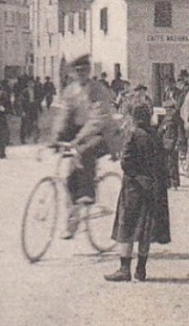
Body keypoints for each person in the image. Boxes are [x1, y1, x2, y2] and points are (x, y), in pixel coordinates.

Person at [107, 102, 172, 282]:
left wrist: (137, 177)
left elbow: (126, 163)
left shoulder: (133, 135)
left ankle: (124, 269)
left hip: (133, 189)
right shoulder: (155, 135)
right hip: (153, 189)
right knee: (145, 230)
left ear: (134, 118)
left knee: (127, 228)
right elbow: (162, 162)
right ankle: (141, 270)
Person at [51, 55, 111, 239]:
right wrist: (56, 136)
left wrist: (78, 139)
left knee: (85, 153)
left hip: (99, 131)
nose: (81, 74)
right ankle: (73, 217)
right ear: (73, 73)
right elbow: (64, 114)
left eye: (84, 70)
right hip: (77, 133)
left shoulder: (97, 90)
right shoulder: (71, 90)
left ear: (89, 70)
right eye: (77, 71)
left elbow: (97, 118)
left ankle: (88, 194)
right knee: (69, 178)